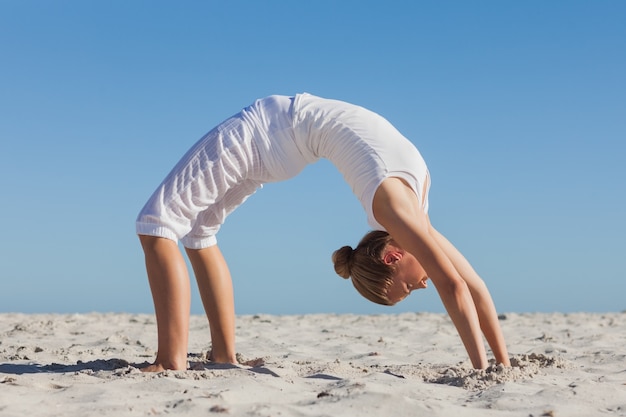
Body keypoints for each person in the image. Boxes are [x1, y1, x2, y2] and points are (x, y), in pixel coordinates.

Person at [136, 93, 510, 372]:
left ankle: (171, 361)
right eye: (410, 287)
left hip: (263, 136)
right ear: (392, 257)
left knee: (158, 223)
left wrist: (495, 368)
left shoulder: (402, 210)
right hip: (273, 143)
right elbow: (463, 285)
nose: (423, 286)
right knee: (197, 231)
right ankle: (222, 356)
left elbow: (465, 285)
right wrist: (488, 368)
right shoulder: (405, 213)